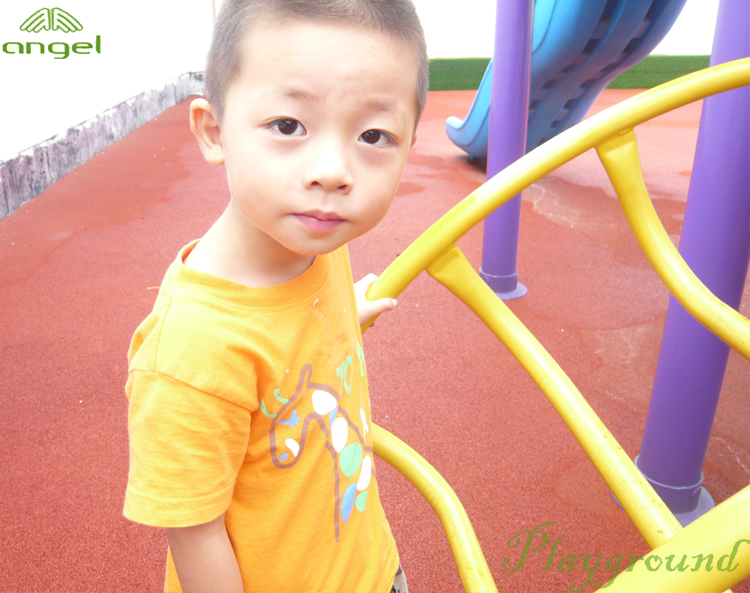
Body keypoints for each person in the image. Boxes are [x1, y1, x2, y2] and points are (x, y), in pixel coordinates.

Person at [123, 1, 429, 591]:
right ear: (214, 132)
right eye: (289, 126)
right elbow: (195, 534)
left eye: (373, 135)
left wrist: (343, 314)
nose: (332, 171)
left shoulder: (315, 239)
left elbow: (290, 330)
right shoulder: (192, 354)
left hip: (370, 568)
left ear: (410, 142)